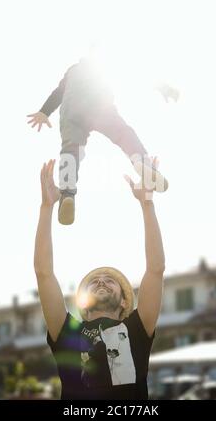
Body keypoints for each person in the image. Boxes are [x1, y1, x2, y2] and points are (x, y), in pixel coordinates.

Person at [34, 159, 165, 400]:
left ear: (125, 302)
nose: (101, 281)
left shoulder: (136, 329)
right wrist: (46, 207)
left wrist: (147, 205)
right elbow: (44, 274)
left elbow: (155, 270)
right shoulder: (68, 333)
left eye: (109, 280)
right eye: (95, 281)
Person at [27, 48, 173, 225]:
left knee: (70, 151)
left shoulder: (73, 70)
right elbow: (136, 73)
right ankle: (141, 163)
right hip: (98, 103)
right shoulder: (105, 67)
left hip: (71, 109)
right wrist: (164, 88)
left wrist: (44, 112)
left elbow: (58, 93)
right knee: (123, 133)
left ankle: (67, 194)